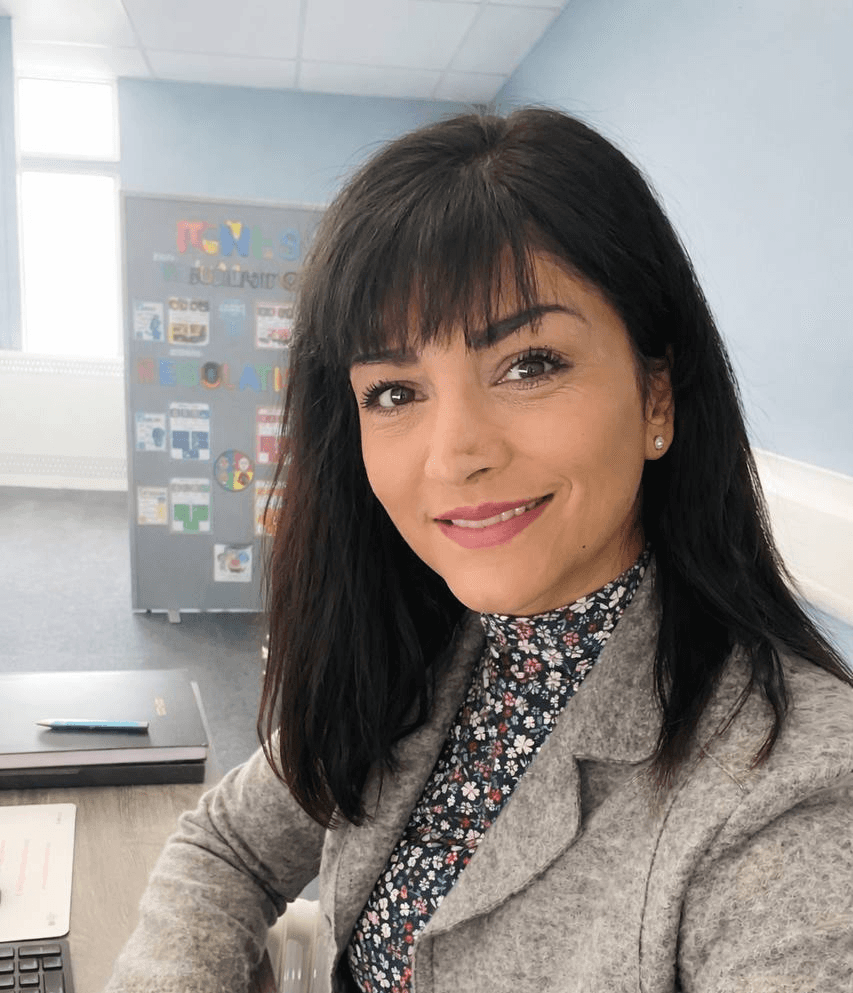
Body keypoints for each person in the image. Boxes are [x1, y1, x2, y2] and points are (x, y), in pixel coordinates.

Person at [106, 109, 853, 993]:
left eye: (529, 364)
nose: (453, 454)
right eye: (394, 391)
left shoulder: (799, 795)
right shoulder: (417, 638)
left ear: (656, 395)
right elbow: (225, 845)